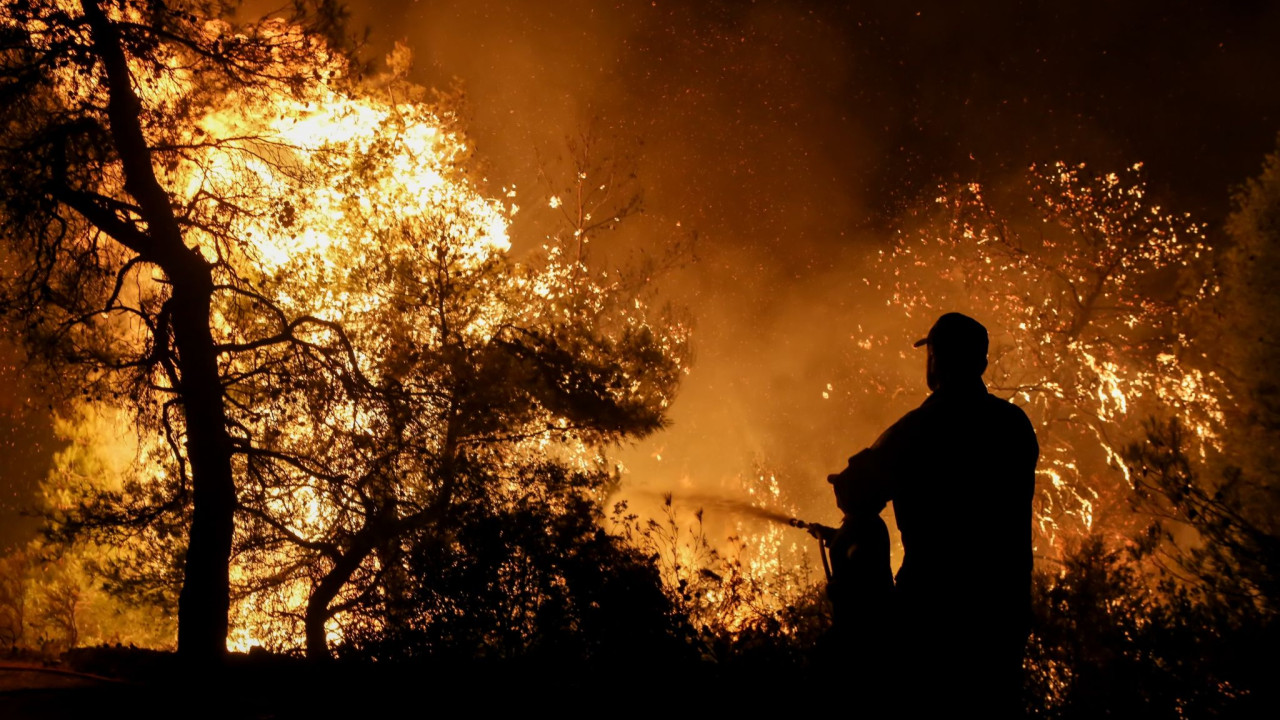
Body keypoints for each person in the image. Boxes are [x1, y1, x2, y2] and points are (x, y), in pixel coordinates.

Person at [827, 312, 1038, 717]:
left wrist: (850, 481)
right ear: (982, 363)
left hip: (934, 611)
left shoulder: (921, 428)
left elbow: (859, 493)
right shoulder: (1014, 425)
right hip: (1003, 611)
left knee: (862, 532)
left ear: (936, 360)